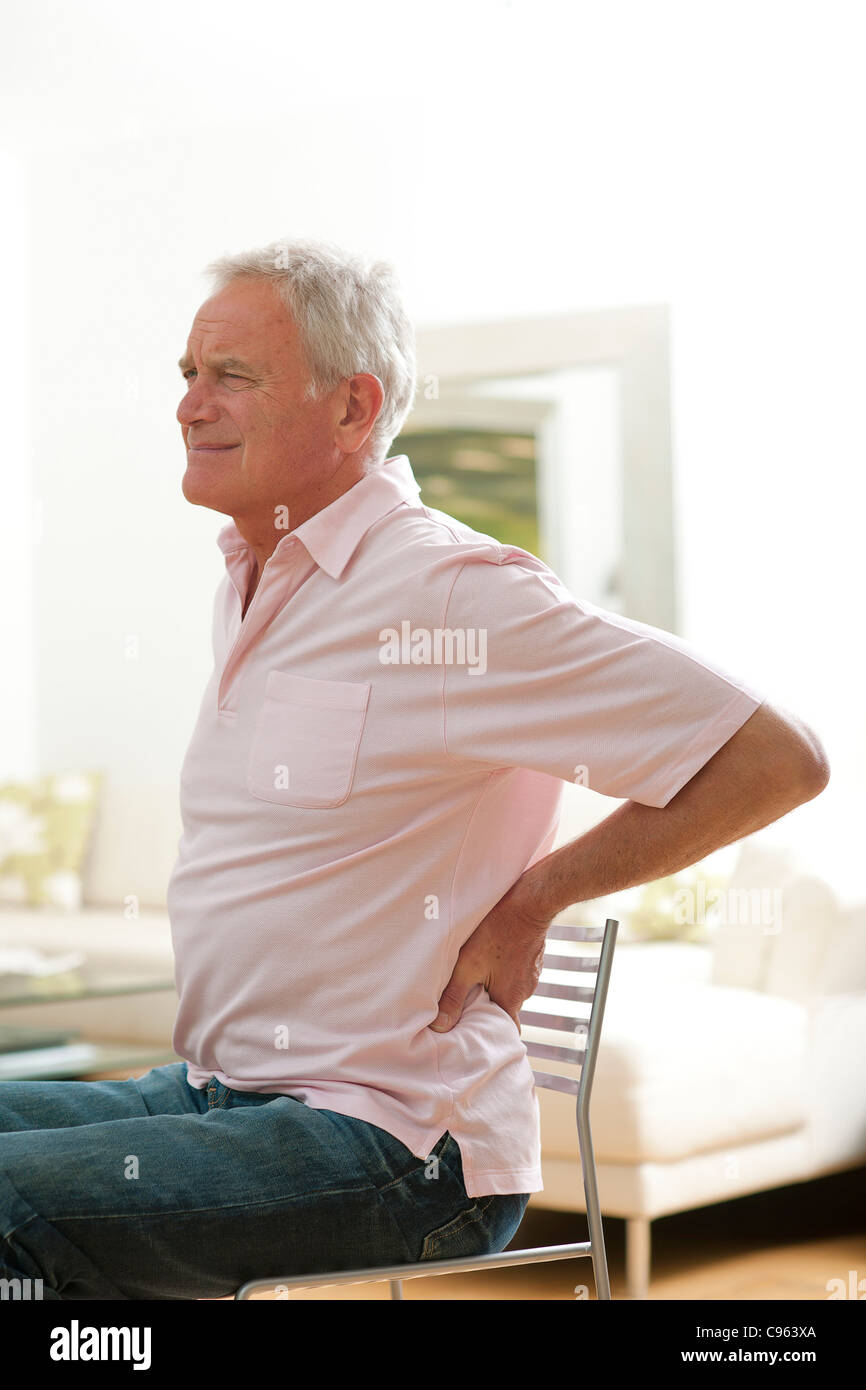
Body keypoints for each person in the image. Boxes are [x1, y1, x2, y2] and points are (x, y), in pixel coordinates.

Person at [0, 238, 829, 1300]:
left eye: (231, 377)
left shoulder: (450, 594)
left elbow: (774, 758)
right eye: (186, 375)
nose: (188, 406)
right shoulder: (258, 581)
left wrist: (538, 898)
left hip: (399, 1148)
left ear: (351, 409)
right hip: (224, 1094)